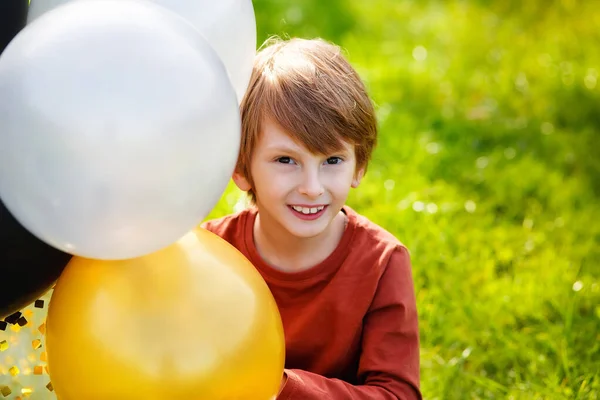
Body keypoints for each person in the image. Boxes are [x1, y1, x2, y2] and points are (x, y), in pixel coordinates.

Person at [201, 37, 422, 399]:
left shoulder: (382, 263)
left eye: (332, 161)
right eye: (286, 160)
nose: (311, 187)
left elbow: (397, 393)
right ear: (240, 167)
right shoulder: (210, 255)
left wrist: (280, 388)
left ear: (359, 165)